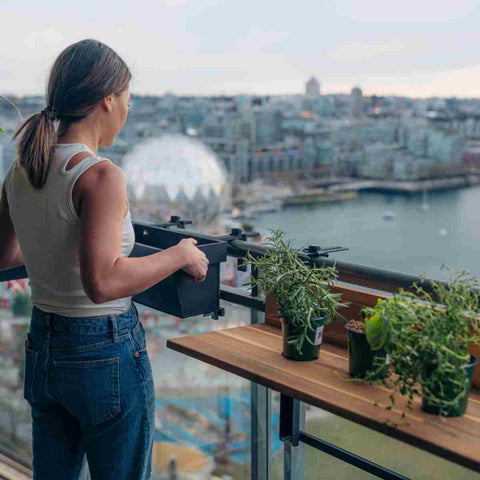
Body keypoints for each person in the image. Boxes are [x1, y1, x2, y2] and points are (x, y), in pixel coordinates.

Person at [0, 39, 209, 480]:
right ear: (107, 100)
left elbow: (4, 257)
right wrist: (179, 253)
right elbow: (104, 282)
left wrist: (52, 247)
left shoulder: (21, 170)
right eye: (127, 101)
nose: (128, 113)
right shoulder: (100, 175)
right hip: (103, 350)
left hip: (44, 345)